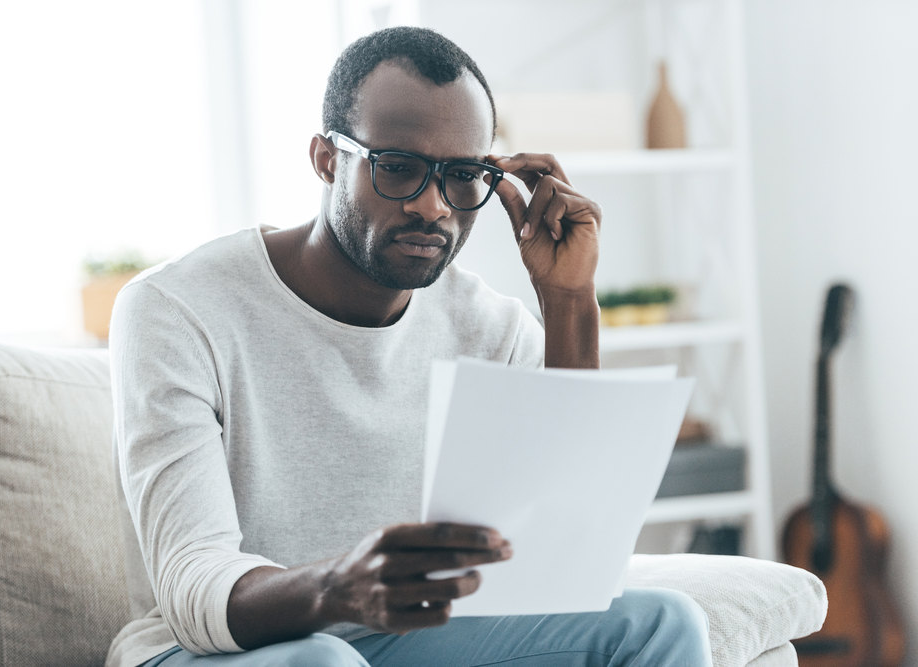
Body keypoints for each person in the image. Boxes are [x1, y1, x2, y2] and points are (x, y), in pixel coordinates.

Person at [107, 26, 712, 667]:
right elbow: (190, 586)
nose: (432, 206)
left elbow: (575, 547)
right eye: (398, 168)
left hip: (408, 642)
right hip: (211, 651)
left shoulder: (489, 326)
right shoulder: (176, 309)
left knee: (662, 623)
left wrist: (567, 299)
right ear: (325, 159)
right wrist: (343, 588)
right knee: (326, 662)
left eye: (461, 176)